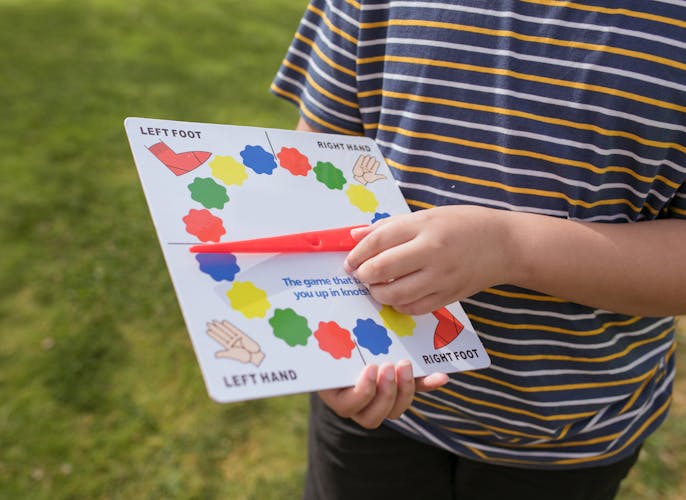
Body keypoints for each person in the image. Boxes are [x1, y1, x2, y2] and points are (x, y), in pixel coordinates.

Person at [270, 1, 686, 499]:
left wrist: (510, 248)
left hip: (568, 435)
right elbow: (316, 167)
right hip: (376, 397)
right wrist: (324, 348)